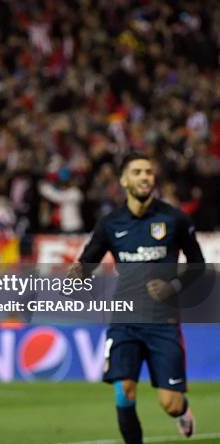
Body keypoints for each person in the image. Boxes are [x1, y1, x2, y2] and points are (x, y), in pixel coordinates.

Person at [69, 153, 203, 443]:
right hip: (124, 320)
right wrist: (78, 273)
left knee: (170, 403)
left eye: (149, 172)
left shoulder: (174, 218)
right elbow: (86, 265)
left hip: (163, 321)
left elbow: (198, 266)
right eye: (138, 172)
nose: (145, 177)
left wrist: (172, 288)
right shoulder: (110, 223)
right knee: (124, 390)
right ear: (124, 180)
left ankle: (182, 411)